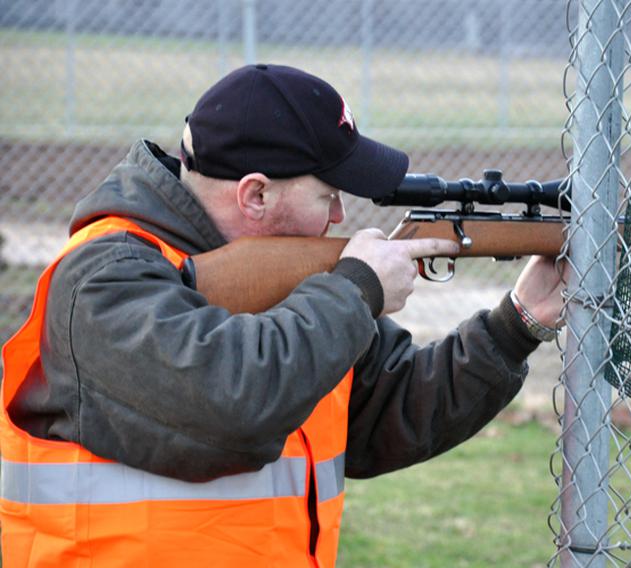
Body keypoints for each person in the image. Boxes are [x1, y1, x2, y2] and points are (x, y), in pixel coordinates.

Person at [0, 64, 565, 567]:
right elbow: (232, 399)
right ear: (256, 196)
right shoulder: (104, 279)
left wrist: (518, 323)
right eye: (328, 195)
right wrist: (358, 286)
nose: (340, 214)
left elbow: (390, 410)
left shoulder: (299, 296)